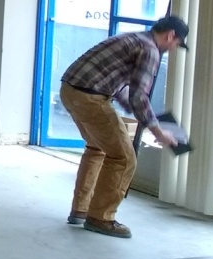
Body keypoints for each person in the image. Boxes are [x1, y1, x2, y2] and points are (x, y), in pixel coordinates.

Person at [60, 15, 189, 239]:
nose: (174, 48)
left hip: (70, 91)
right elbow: (140, 96)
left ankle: (81, 209)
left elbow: (117, 83)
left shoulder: (134, 38)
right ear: (170, 36)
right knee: (124, 158)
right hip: (90, 98)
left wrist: (134, 110)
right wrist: (159, 132)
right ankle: (101, 218)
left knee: (97, 147)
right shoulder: (150, 50)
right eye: (177, 43)